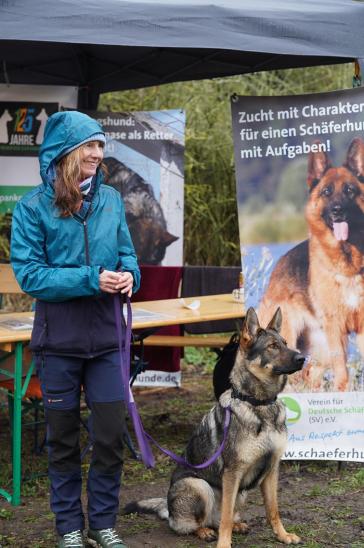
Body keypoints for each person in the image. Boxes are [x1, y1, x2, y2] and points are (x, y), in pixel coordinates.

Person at [11, 110, 140, 548]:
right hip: (58, 345)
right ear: (64, 151)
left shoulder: (112, 200)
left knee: (109, 437)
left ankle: (103, 524)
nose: (97, 153)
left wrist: (128, 277)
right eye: (90, 145)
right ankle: (69, 527)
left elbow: (127, 256)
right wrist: (89, 278)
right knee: (62, 442)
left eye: (101, 146)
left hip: (107, 342)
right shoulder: (31, 208)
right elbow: (30, 275)